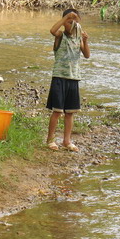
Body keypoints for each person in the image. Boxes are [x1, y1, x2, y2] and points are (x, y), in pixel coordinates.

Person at [46, 8, 90, 152]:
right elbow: (52, 30)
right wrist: (66, 19)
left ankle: (67, 141)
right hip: (59, 76)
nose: (72, 25)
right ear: (64, 23)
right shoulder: (60, 35)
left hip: (73, 77)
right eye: (69, 22)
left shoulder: (78, 39)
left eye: (75, 22)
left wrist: (85, 40)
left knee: (70, 112)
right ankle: (50, 139)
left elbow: (87, 55)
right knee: (57, 111)